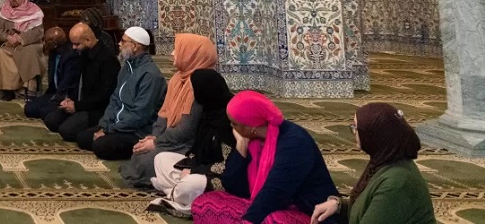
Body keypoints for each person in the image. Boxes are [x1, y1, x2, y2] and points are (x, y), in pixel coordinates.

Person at [191, 91, 344, 224]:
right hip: (268, 204)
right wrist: (241, 145)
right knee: (204, 203)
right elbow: (233, 186)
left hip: (307, 213)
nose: (231, 127)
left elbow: (274, 193)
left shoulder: (294, 143)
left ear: (251, 126)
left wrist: (248, 221)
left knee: (271, 220)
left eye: (234, 123)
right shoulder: (254, 140)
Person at [310, 102, 436, 224]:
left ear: (375, 135)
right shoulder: (385, 161)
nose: (354, 132)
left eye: (356, 128)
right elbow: (369, 207)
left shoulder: (396, 184)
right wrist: (338, 205)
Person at [120, 33, 219, 187]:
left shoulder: (201, 84)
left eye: (177, 50)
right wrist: (154, 137)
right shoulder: (177, 79)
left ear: (192, 54)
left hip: (189, 144)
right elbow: (163, 114)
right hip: (171, 138)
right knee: (140, 154)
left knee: (147, 160)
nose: (172, 53)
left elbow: (187, 129)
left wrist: (157, 142)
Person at [146, 69, 236, 217]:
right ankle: (179, 193)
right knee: (161, 159)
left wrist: (195, 171)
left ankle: (178, 195)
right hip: (201, 166)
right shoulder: (207, 111)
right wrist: (191, 165)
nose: (193, 94)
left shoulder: (230, 118)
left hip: (220, 176)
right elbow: (197, 149)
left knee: (191, 184)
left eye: (195, 90)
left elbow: (228, 165)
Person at [76, 26, 167, 160]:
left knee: (101, 146)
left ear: (135, 46)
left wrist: (109, 130)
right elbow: (114, 100)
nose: (119, 44)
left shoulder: (151, 76)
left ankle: (137, 150)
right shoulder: (127, 68)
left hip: (137, 131)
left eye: (123, 41)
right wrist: (104, 126)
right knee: (82, 137)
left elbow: (140, 115)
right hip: (118, 125)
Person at [49, 22, 120, 139]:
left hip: (97, 109)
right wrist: (69, 99)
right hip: (81, 104)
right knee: (51, 120)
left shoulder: (108, 60)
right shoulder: (84, 54)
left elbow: (104, 96)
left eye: (77, 44)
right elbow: (78, 83)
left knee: (66, 131)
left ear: (88, 40)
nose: (73, 47)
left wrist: (77, 106)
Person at [0, 0, 45, 100]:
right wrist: (7, 37)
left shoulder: (34, 11)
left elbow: (38, 32)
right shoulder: (2, 12)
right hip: (9, 44)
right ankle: (8, 89)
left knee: (28, 52)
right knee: (0, 53)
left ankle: (30, 89)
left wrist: (21, 38)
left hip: (30, 44)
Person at [23, 26, 75, 121]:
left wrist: (56, 99)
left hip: (64, 96)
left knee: (45, 112)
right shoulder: (53, 53)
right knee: (28, 109)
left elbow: (67, 83)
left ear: (55, 44)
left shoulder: (70, 56)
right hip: (53, 93)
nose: (44, 43)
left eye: (46, 41)